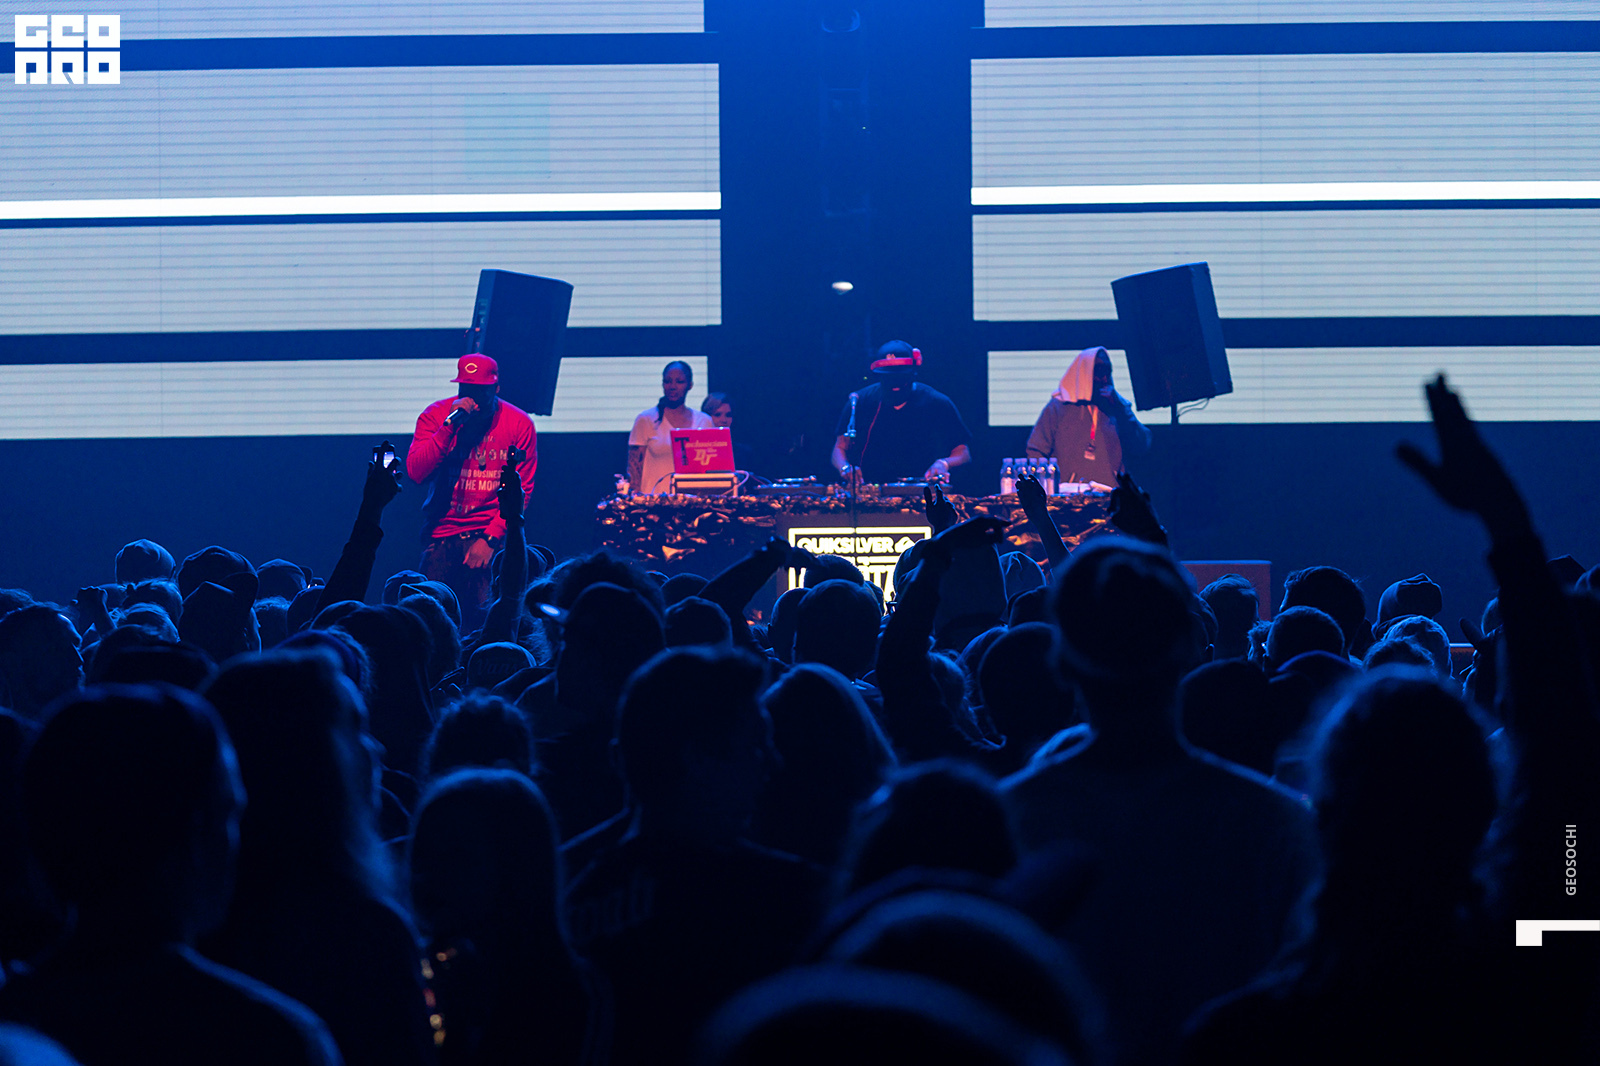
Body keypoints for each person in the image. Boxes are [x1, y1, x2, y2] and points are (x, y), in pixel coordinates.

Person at [0, 685, 341, 1066]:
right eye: (228, 813)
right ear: (195, 832)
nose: (238, 841)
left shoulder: (16, 1016)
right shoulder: (269, 1039)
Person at [408, 354, 537, 630]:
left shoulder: (518, 423)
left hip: (488, 536)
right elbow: (417, 472)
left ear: (496, 388)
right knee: (429, 623)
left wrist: (490, 539)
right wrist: (449, 428)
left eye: (481, 392)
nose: (473, 400)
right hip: (441, 534)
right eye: (467, 390)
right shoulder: (437, 416)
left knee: (487, 623)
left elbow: (523, 489)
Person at [831, 341, 972, 485]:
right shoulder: (860, 401)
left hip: (923, 490)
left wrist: (944, 463)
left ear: (913, 373)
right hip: (871, 489)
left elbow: (963, 452)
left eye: (901, 378)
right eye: (888, 378)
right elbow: (840, 447)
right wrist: (845, 467)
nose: (895, 385)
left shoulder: (937, 402)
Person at [1025, 346, 1150, 487]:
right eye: (1099, 372)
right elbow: (1036, 451)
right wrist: (1047, 487)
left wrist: (1120, 408)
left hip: (1110, 494)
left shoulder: (1117, 407)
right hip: (1067, 495)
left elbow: (1142, 445)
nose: (1104, 379)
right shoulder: (1059, 406)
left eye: (1107, 371)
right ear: (1085, 373)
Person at [627, 361, 712, 495]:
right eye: (668, 381)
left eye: (679, 382)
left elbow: (712, 468)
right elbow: (634, 468)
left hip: (693, 501)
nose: (673, 386)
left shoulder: (704, 421)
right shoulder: (646, 419)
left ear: (690, 385)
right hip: (654, 501)